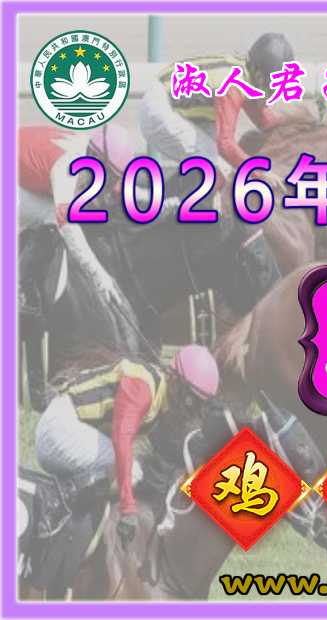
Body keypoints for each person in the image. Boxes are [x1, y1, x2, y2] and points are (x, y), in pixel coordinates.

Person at [34, 345, 220, 548]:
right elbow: (121, 441)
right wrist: (128, 509)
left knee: (132, 469)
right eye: (190, 400)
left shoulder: (159, 396)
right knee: (133, 472)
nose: (190, 410)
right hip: (57, 430)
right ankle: (55, 503)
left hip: (68, 432)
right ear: (175, 381)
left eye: (197, 405)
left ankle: (74, 514)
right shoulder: (142, 386)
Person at [140, 32, 313, 174]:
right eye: (272, 86)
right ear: (259, 74)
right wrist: (259, 172)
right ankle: (169, 202)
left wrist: (303, 124)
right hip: (160, 107)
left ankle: (175, 197)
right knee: (215, 168)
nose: (273, 95)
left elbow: (266, 122)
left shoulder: (248, 75)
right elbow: (225, 144)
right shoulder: (233, 87)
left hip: (173, 103)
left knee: (224, 166)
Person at [18, 124, 136, 309]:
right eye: (112, 177)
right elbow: (67, 225)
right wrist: (99, 275)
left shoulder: (90, 151)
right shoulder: (68, 168)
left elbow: (123, 193)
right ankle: (19, 286)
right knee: (52, 216)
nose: (112, 183)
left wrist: (167, 204)